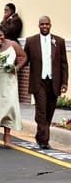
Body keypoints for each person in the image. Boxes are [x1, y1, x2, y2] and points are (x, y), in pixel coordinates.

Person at [24, 16, 68, 150]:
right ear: (38, 25)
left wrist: (64, 82)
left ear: (50, 25)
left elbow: (63, 64)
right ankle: (44, 141)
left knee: (49, 111)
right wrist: (12, 66)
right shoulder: (31, 41)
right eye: (42, 24)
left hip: (54, 82)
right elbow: (25, 59)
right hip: (39, 82)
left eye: (47, 24)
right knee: (41, 111)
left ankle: (40, 135)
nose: (45, 26)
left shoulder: (59, 41)